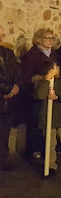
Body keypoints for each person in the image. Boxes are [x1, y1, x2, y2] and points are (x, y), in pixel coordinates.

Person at [19, 28, 60, 159]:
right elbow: (27, 77)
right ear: (39, 39)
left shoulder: (54, 55)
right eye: (47, 38)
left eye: (51, 38)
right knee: (35, 121)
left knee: (48, 120)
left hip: (50, 92)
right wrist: (43, 78)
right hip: (35, 93)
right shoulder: (31, 55)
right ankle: (34, 148)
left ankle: (48, 147)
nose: (50, 41)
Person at [33, 59, 61, 178]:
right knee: (50, 143)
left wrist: (57, 97)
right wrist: (47, 80)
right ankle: (50, 165)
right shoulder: (42, 82)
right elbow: (40, 95)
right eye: (55, 67)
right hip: (48, 118)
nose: (57, 69)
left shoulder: (60, 81)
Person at [0, 24, 19, 171]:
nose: (2, 37)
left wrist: (15, 87)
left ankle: (3, 160)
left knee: (4, 132)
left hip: (6, 102)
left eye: (2, 34)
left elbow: (17, 71)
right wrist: (7, 89)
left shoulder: (8, 53)